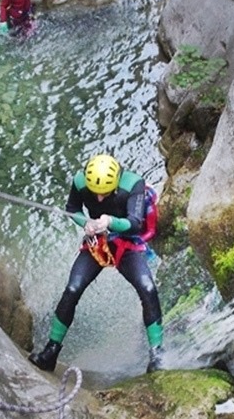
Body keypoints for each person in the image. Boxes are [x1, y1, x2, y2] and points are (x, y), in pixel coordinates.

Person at [28, 155, 164, 373]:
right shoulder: (81, 182)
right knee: (73, 289)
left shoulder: (133, 184)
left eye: (105, 193)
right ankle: (51, 352)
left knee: (147, 288)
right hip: (97, 242)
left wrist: (110, 221)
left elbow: (136, 223)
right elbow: (72, 207)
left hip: (127, 242)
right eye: (95, 193)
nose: (99, 199)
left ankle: (157, 354)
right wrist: (87, 223)